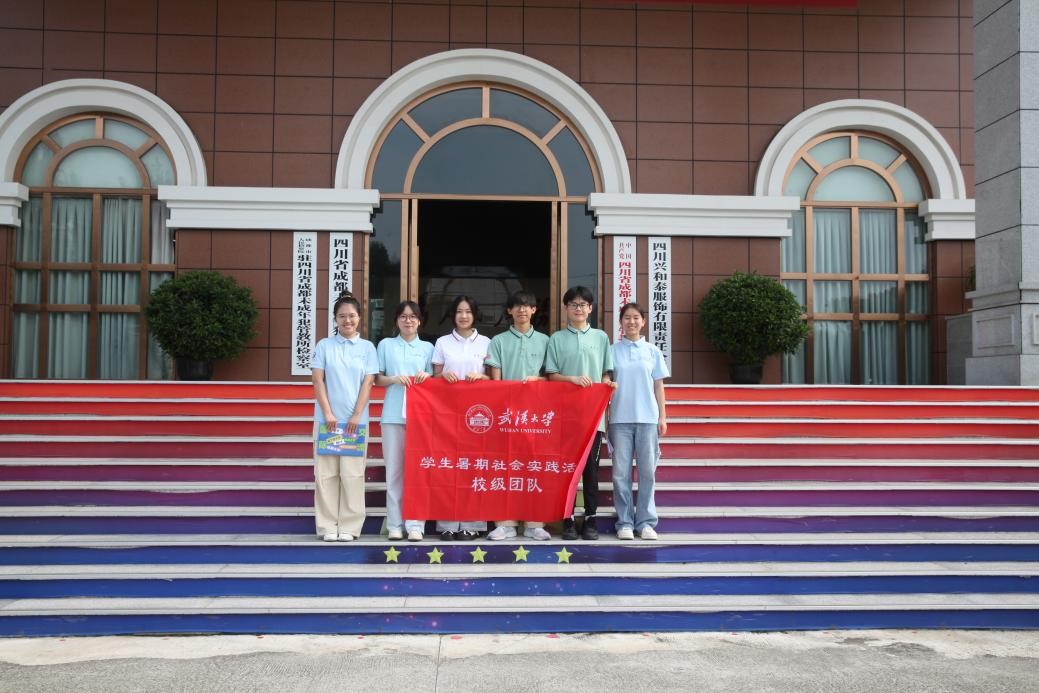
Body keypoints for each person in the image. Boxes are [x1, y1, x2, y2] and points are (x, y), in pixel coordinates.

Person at [545, 285, 614, 541]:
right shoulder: (556, 339)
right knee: (567, 470)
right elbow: (551, 375)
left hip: (593, 418)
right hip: (565, 417)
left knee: (591, 471)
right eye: (573, 304)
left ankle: (591, 520)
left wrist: (605, 385)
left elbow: (606, 372)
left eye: (583, 304)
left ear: (590, 308)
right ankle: (568, 520)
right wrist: (572, 379)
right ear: (566, 308)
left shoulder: (601, 337)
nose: (578, 308)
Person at [310, 290, 379, 542]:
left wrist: (356, 415)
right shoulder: (324, 346)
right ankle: (327, 526)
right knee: (326, 475)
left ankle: (350, 526)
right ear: (335, 319)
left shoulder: (367, 348)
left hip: (355, 424)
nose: (347, 320)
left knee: (352, 475)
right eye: (342, 316)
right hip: (326, 422)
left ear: (359, 318)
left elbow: (368, 383)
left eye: (352, 316)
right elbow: (318, 380)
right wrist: (328, 413)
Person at [485, 290, 552, 541]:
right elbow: (495, 381)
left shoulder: (546, 341)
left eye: (527, 306)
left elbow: (551, 376)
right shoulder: (499, 341)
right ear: (509, 311)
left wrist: (537, 380)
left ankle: (535, 523)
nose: (522, 310)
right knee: (505, 468)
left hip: (537, 416)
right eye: (517, 306)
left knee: (535, 468)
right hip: (506, 415)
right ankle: (506, 524)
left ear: (534, 310)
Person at [432, 295, 491, 541]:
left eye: (468, 311)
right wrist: (443, 377)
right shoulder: (442, 342)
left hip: (478, 417)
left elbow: (494, 379)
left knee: (474, 469)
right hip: (447, 415)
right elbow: (433, 378)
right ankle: (447, 524)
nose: (463, 316)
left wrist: (482, 377)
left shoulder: (487, 342)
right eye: (459, 311)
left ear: (474, 314)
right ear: (452, 315)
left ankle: (471, 525)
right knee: (447, 469)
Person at [609, 302, 669, 540]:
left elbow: (658, 386)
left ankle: (645, 523)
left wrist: (662, 416)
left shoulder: (652, 351)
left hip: (647, 419)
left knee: (647, 473)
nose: (631, 322)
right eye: (627, 318)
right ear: (620, 322)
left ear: (643, 322)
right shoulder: (612, 351)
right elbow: (606, 384)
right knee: (620, 474)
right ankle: (624, 522)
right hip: (619, 420)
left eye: (636, 318)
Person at [374, 300, 434, 542]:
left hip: (421, 417)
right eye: (403, 316)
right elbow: (377, 378)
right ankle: (395, 524)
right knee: (395, 472)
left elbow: (436, 378)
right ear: (396, 320)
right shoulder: (386, 345)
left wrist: (427, 375)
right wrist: (394, 379)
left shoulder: (428, 347)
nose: (408, 320)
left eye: (413, 316)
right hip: (392, 415)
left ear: (420, 321)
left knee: (418, 472)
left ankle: (416, 524)